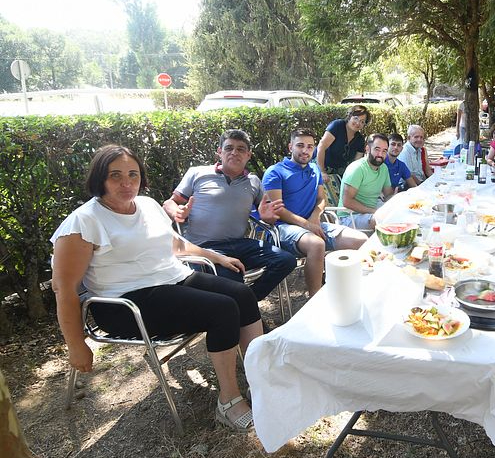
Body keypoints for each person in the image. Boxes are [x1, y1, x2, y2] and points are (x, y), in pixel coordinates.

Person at [51, 145, 261, 432]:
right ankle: (229, 401)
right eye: (115, 176)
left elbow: (176, 245)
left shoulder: (148, 204)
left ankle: (259, 378)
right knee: (222, 310)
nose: (126, 183)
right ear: (100, 178)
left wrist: (217, 257)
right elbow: (64, 288)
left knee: (243, 294)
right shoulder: (84, 222)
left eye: (133, 175)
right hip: (124, 303)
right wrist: (76, 344)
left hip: (172, 279)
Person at [162, 129, 297, 302]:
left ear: (248, 155)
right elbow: (169, 202)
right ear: (220, 152)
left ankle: (247, 303)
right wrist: (177, 211)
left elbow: (267, 216)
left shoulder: (254, 181)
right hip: (205, 247)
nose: (234, 152)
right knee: (234, 280)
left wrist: (267, 217)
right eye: (229, 148)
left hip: (240, 244)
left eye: (241, 149)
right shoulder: (198, 173)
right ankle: (245, 308)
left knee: (286, 260)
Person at [262, 129, 368, 297]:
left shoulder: (314, 169)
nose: (305, 150)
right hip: (283, 229)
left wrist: (314, 217)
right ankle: (315, 299)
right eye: (300, 145)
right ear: (290, 147)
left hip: (313, 224)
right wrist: (307, 224)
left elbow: (322, 199)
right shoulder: (275, 172)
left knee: (361, 240)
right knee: (317, 244)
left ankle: (348, 289)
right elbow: (278, 211)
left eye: (310, 146)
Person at [338, 133, 394, 229]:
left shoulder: (383, 168)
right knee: (380, 220)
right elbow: (347, 201)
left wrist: (396, 199)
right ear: (367, 149)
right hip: (349, 216)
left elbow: (388, 194)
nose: (380, 154)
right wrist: (373, 211)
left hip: (370, 212)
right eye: (377, 149)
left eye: (384, 151)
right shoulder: (357, 168)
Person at [316, 105, 370, 178]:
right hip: (321, 167)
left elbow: (356, 164)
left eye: (362, 122)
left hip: (340, 174)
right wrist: (322, 171)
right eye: (356, 118)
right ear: (349, 116)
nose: (358, 123)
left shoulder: (360, 140)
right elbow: (321, 147)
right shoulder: (337, 126)